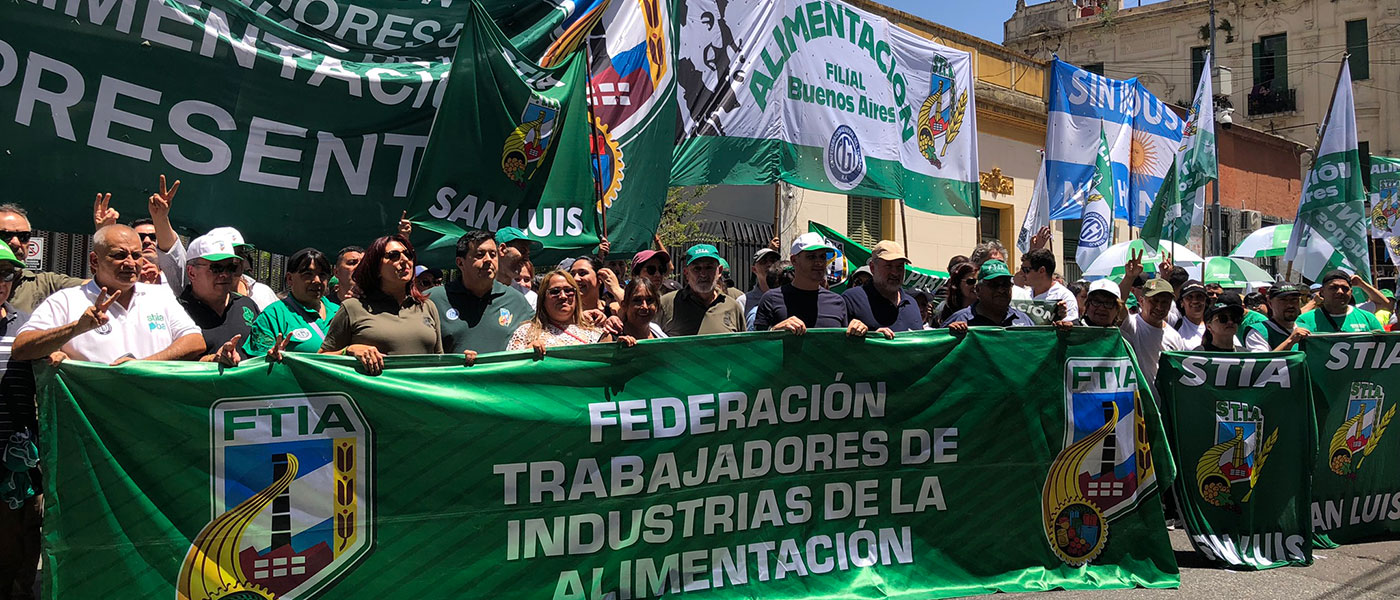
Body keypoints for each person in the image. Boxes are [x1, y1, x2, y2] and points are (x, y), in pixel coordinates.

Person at [15, 225, 203, 365]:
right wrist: (75, 329)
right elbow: (21, 348)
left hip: (152, 414)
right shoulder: (65, 301)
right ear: (95, 260)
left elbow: (195, 341)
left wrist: (140, 366)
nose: (130, 263)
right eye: (119, 255)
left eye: (136, 256)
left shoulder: (160, 296)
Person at [320, 235, 444, 375]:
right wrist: (349, 350)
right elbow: (320, 360)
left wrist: (470, 362)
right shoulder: (352, 307)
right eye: (394, 256)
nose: (404, 260)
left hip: (421, 395)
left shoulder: (427, 306)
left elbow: (440, 361)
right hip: (371, 396)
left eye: (408, 255)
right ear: (376, 268)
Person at [0, 244, 38, 600]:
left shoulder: (27, 325)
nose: (1, 281)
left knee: (20, 547)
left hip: (15, 460)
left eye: (6, 274)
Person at [427, 230, 534, 356]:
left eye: (493, 254)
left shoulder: (517, 301)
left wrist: (535, 342)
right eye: (480, 254)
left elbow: (540, 335)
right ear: (460, 263)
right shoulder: (432, 300)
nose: (488, 260)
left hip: (502, 375)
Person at [753, 234, 870, 337]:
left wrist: (863, 332)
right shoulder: (771, 299)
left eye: (823, 257)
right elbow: (754, 346)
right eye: (811, 257)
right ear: (794, 260)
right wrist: (775, 330)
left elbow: (845, 346)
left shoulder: (837, 301)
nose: (819, 262)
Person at [176, 233, 260, 367]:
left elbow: (260, 351)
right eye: (216, 268)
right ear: (191, 272)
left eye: (230, 268)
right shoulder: (176, 311)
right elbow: (168, 364)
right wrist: (212, 360)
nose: (225, 274)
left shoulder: (246, 304)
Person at [244, 248, 340, 359]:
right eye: (308, 274)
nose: (317, 280)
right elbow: (257, 364)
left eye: (322, 275)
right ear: (290, 279)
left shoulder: (340, 312)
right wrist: (272, 358)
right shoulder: (273, 316)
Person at [507, 270, 631, 355]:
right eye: (555, 291)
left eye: (569, 291)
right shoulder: (525, 332)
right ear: (543, 299)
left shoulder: (596, 330)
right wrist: (526, 356)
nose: (563, 296)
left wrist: (620, 349)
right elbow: (510, 373)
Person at [1116, 251, 1189, 387]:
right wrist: (1129, 277)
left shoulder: (1175, 337)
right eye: (1154, 301)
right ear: (1141, 301)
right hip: (1136, 404)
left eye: (1165, 302)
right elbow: (1117, 303)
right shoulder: (1131, 325)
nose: (1159, 307)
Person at [0, 204, 84, 313]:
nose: (15, 242)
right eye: (4, 235)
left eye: (23, 236)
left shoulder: (45, 284)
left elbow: (97, 287)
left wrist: (104, 240)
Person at [656, 244, 745, 336]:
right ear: (686, 273)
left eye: (709, 267)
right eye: (696, 269)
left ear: (720, 271)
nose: (703, 274)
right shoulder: (667, 304)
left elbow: (744, 346)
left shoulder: (732, 306)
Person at [842, 241, 918, 335]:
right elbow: (839, 344)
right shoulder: (852, 299)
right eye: (888, 266)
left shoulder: (912, 304)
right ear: (872, 267)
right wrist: (874, 339)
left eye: (899, 267)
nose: (895, 273)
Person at [944, 259, 1039, 331]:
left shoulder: (1024, 321)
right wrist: (949, 336)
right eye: (994, 284)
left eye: (1005, 284)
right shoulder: (960, 321)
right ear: (978, 290)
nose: (1001, 290)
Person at [1295, 271, 1384, 334]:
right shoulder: (1305, 320)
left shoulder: (1368, 318)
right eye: (1334, 288)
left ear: (1351, 292)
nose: (1340, 292)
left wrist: (1362, 284)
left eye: (1345, 288)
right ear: (1322, 292)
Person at [1244, 284, 1309, 352]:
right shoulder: (1258, 332)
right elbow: (1264, 361)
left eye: (1294, 299)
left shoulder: (1307, 329)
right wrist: (1290, 341)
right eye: (1283, 300)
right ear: (1270, 303)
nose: (1290, 305)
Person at [1021, 249, 1078, 321]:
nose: (1022, 274)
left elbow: (1072, 328)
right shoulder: (1024, 295)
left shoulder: (1065, 297)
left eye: (1026, 270)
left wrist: (1062, 320)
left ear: (1042, 271)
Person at [495, 227, 543, 301]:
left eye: (528, 254)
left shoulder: (530, 298)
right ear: (502, 249)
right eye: (522, 251)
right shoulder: (478, 290)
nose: (526, 258)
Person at [934, 262, 977, 327]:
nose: (976, 285)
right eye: (971, 281)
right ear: (958, 283)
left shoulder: (987, 310)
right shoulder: (943, 309)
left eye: (979, 281)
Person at [740, 248, 781, 312]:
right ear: (754, 269)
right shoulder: (744, 301)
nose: (769, 264)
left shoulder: (785, 296)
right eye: (763, 262)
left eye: (773, 261)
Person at [1174, 281, 1208, 348]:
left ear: (1205, 300)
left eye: (1199, 296)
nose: (1195, 301)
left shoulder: (1218, 325)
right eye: (1189, 297)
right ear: (1182, 303)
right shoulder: (1174, 324)